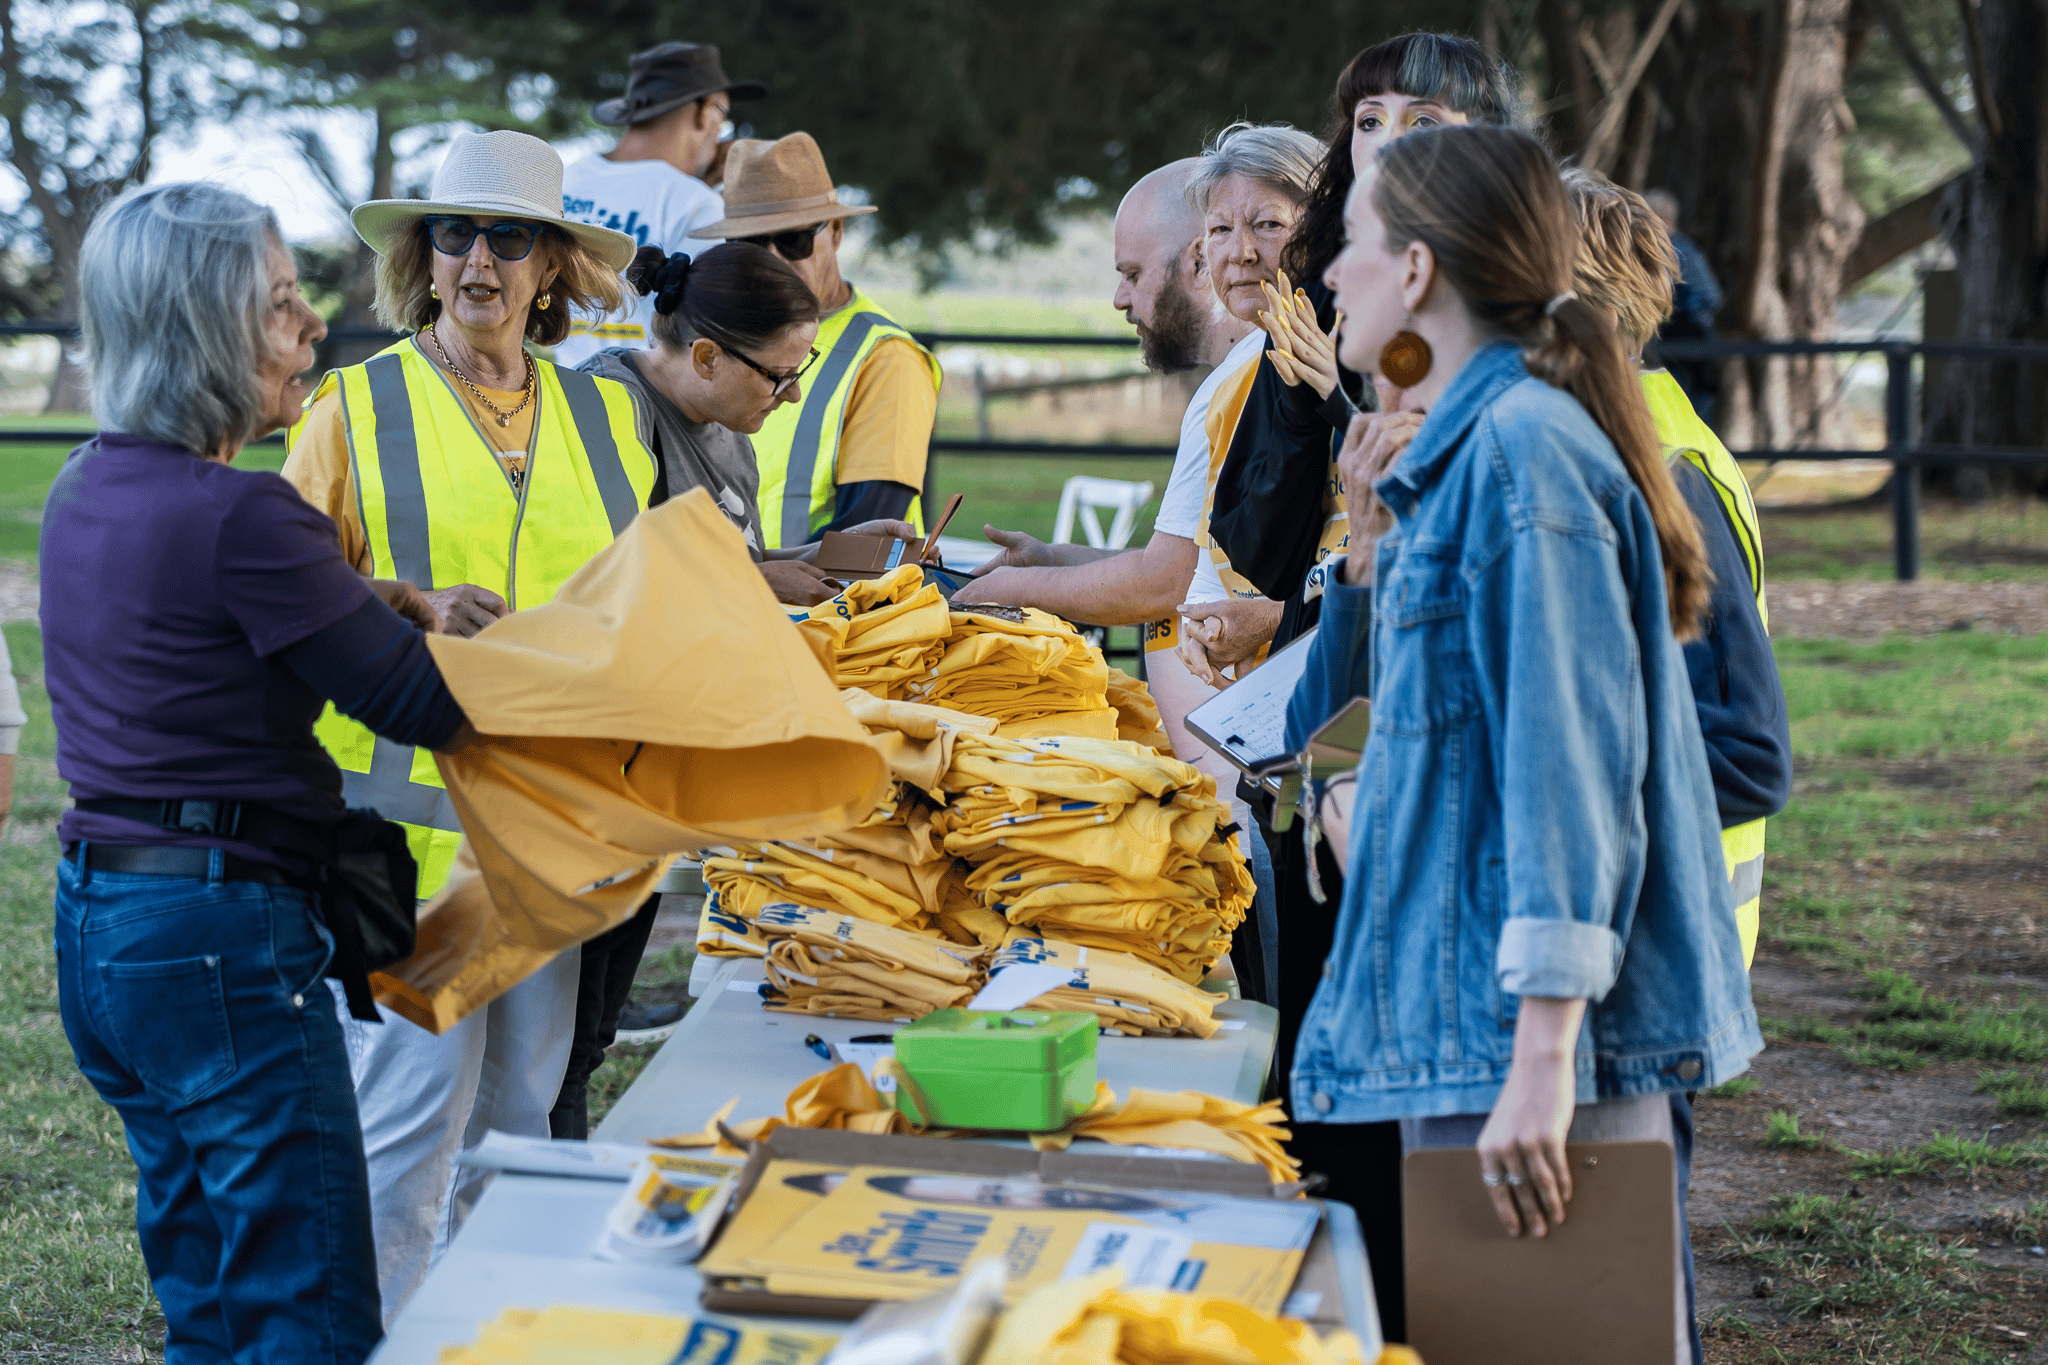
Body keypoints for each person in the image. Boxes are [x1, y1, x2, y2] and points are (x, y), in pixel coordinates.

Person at [1289, 125, 1760, 1360]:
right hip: (1480, 1032)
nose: (1326, 273)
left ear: (1418, 272)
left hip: (1526, 1059)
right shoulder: (1475, 450)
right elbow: (1467, 750)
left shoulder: (1520, 464)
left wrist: (1544, 1065)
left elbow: (1571, 778)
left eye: (1348, 246)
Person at [43, 181, 476, 1363]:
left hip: (105, 926)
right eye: (282, 304)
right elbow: (417, 703)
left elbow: (193, 628)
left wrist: (372, 601)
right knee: (308, 1308)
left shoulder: (84, 487)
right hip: (222, 938)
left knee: (210, 1299)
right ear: (204, 331)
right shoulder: (246, 518)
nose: (309, 331)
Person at [282, 128, 655, 1317]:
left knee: (522, 1128)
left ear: (553, 265)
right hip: (403, 855)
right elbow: (284, 602)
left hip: (552, 840)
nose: (478, 262)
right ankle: (384, 1342)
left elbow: (629, 609)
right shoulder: (351, 410)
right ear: (423, 258)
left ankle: (495, 1338)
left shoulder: (607, 421)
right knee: (400, 1146)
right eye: (455, 235)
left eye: (508, 237)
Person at [546, 241, 915, 1139]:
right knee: (555, 1037)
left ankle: (557, 1169)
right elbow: (613, 582)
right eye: (779, 378)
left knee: (591, 1028)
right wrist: (762, 582)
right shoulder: (605, 413)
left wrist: (822, 559)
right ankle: (533, 1190)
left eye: (804, 373)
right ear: (705, 355)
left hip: (658, 769)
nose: (788, 397)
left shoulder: (722, 426)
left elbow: (728, 555)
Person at [1561, 169, 1789, 1365]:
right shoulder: (1618, 445)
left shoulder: (1663, 472)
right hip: (1624, 920)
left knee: (1638, 1290)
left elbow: (1748, 752)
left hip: (1653, 932)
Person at [689, 133, 941, 546]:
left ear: (837, 232)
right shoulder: (719, 339)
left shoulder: (885, 358)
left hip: (822, 607)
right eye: (751, 244)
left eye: (794, 240)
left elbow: (869, 533)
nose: (772, 260)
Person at [1166, 122, 1326, 692]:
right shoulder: (1237, 380)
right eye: (1220, 230)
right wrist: (1201, 619)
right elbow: (1213, 557)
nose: (1242, 252)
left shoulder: (1361, 364)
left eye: (1268, 225)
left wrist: (1278, 618)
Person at [552, 41, 767, 369]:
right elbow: (697, 336)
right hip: (638, 404)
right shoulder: (696, 205)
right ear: (703, 110)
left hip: (554, 392)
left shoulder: (562, 180)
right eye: (721, 117)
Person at [1644, 189, 1724, 425]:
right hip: (1686, 353)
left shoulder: (1675, 253)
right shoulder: (1682, 250)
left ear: (1664, 221)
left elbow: (1710, 299)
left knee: (1686, 426)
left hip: (1687, 354)